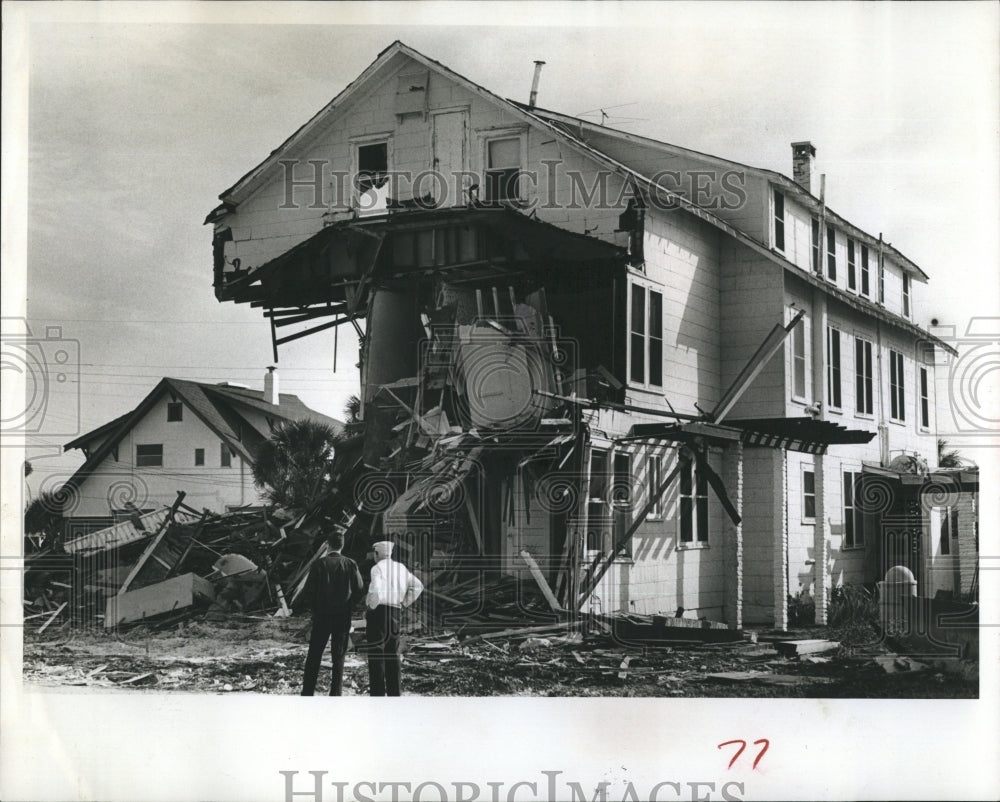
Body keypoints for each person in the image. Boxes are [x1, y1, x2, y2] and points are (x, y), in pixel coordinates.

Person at [300, 529, 364, 696]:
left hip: (322, 615)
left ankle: (307, 692)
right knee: (339, 655)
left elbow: (309, 592)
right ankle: (335, 693)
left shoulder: (318, 564)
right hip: (342, 616)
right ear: (342, 545)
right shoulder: (350, 563)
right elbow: (359, 589)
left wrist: (315, 609)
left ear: (328, 545)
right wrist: (349, 606)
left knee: (314, 654)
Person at [365, 540, 423, 696]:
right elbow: (418, 586)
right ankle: (394, 693)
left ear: (377, 554)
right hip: (396, 611)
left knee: (377, 653)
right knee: (393, 652)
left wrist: (371, 606)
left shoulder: (377, 568)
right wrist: (404, 603)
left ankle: (377, 695)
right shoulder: (401, 568)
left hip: (379, 612)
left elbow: (376, 590)